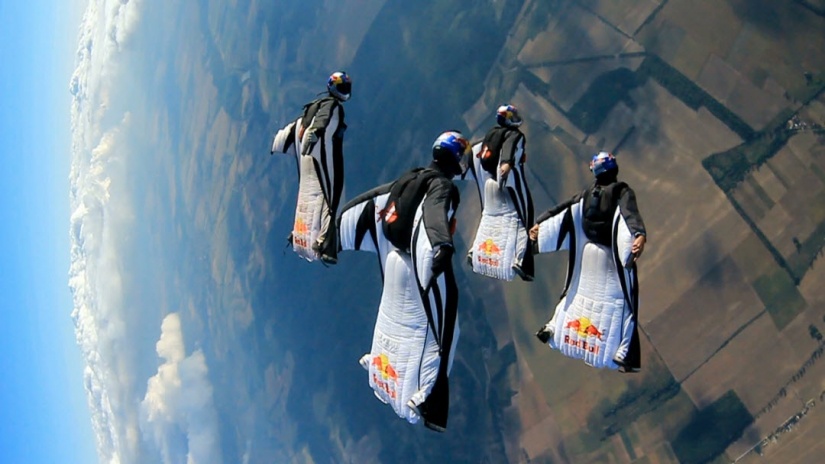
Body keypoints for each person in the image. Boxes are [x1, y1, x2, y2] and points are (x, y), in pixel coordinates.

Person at [336, 131, 470, 431]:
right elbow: (434, 211)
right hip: (419, 261)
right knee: (446, 325)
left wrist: (335, 234)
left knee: (393, 321)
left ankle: (378, 365)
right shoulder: (442, 186)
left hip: (394, 260)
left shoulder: (409, 177)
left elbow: (374, 202)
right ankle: (430, 402)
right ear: (457, 158)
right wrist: (442, 244)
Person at [530, 152, 646, 372]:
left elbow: (563, 209)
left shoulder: (588, 194)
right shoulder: (620, 192)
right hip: (610, 258)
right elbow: (629, 214)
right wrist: (639, 234)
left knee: (572, 291)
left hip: (586, 254)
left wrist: (541, 224)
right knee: (628, 302)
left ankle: (554, 328)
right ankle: (624, 352)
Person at [270, 71, 352, 264]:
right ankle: (326, 245)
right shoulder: (333, 106)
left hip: (306, 158)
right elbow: (324, 118)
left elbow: (282, 139)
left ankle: (299, 236)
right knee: (334, 197)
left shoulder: (307, 112)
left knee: (307, 196)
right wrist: (314, 134)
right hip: (319, 155)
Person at [465, 104, 534, 281]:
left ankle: (475, 251)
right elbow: (510, 146)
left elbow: (476, 153)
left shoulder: (491, 134)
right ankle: (521, 261)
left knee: (489, 219)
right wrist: (506, 163)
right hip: (506, 181)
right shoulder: (515, 135)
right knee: (523, 218)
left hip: (488, 184)